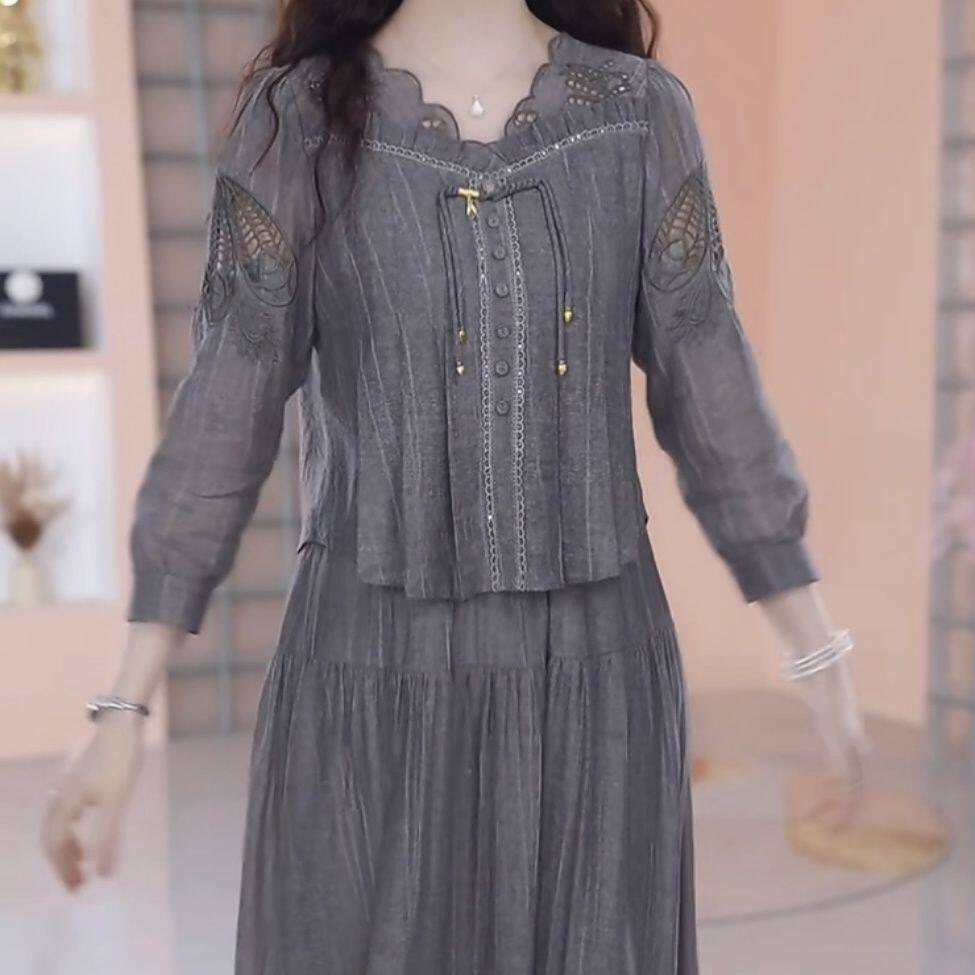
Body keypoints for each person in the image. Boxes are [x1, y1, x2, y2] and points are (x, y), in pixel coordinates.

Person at [41, 1, 870, 972]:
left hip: (595, 685)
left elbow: (712, 386)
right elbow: (225, 407)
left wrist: (816, 653)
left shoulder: (636, 114)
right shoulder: (300, 119)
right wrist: (123, 707)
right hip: (370, 673)